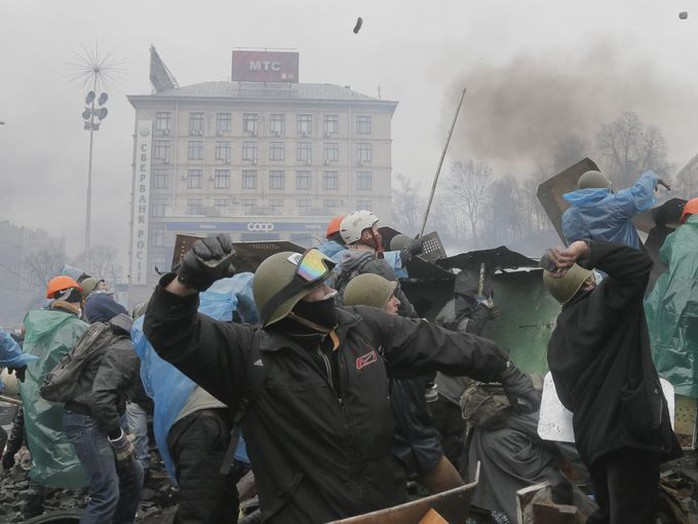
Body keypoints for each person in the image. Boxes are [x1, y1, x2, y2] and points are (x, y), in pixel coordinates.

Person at [143, 234, 539, 524]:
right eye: (316, 288)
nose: (330, 292)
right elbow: (170, 332)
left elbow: (438, 343)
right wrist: (186, 282)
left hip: (386, 513)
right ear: (289, 307)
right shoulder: (248, 357)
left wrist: (503, 368)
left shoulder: (364, 330)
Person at [543, 239, 682, 523]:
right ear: (589, 283)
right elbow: (638, 265)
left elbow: (568, 399)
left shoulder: (558, 340)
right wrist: (587, 249)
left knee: (609, 512)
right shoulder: (608, 304)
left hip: (593, 442)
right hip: (628, 435)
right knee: (632, 516)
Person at [343, 273, 464, 494]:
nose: (397, 302)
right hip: (387, 462)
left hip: (425, 447)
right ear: (373, 308)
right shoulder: (354, 360)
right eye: (390, 297)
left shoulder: (407, 341)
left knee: (458, 495)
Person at [62, 296, 144, 524]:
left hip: (91, 419)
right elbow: (100, 397)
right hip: (86, 422)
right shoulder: (125, 349)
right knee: (106, 494)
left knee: (133, 475)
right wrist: (117, 437)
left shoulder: (116, 341)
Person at [19, 275, 90, 518]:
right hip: (71, 403)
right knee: (84, 453)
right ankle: (91, 506)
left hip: (38, 405)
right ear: (73, 298)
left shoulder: (35, 326)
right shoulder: (80, 328)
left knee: (42, 452)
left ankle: (32, 508)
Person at [645, 197, 698, 398]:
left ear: (686, 216)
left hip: (674, 302)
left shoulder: (678, 235)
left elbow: (665, 256)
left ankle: (670, 394)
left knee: (669, 346)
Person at [561, 169, 662, 250]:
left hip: (595, 273)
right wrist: (651, 177)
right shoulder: (615, 204)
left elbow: (575, 247)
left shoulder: (569, 216)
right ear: (605, 187)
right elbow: (641, 193)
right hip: (627, 267)